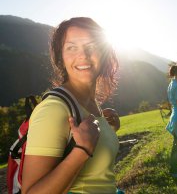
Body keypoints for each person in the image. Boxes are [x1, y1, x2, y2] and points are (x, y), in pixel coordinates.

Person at [22, 17, 121, 193]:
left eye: (91, 46)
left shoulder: (92, 105)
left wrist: (106, 126)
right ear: (61, 57)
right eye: (71, 47)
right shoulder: (54, 109)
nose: (83, 55)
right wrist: (82, 150)